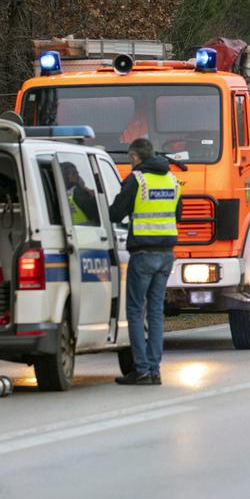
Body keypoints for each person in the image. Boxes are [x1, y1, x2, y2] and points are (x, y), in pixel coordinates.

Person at [108, 138, 180, 385]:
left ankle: (141, 370)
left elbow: (116, 213)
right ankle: (155, 369)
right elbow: (176, 213)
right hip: (167, 253)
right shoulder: (171, 179)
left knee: (136, 311)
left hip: (143, 253)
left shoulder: (136, 180)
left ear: (134, 157)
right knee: (156, 311)